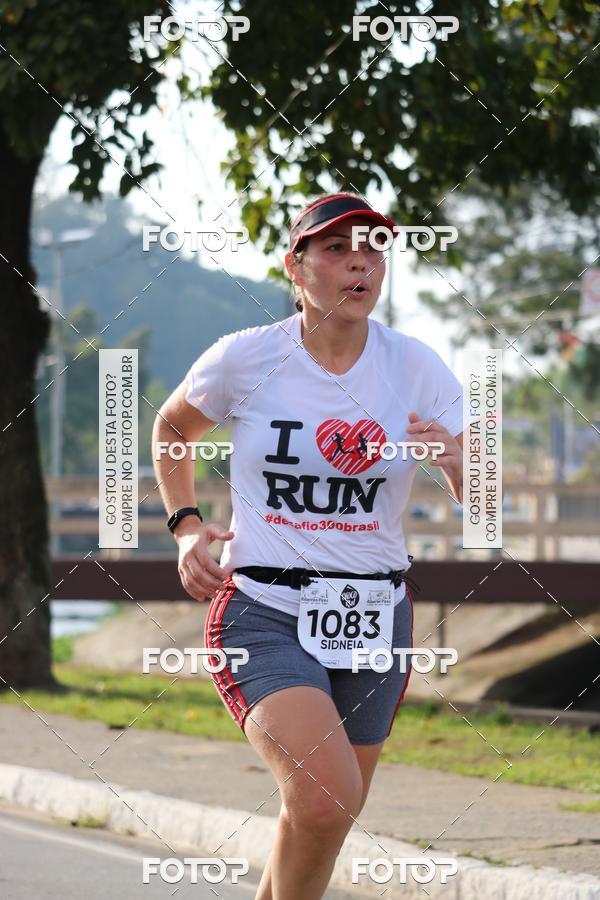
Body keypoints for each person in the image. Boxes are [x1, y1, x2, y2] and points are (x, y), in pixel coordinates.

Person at [152, 192, 464, 900]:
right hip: (264, 608)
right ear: (296, 267)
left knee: (323, 814)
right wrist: (187, 526)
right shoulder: (246, 357)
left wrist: (456, 461)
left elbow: (486, 486)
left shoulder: (414, 365)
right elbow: (171, 430)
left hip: (374, 616)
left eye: (373, 248)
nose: (360, 262)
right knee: (325, 798)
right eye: (336, 249)